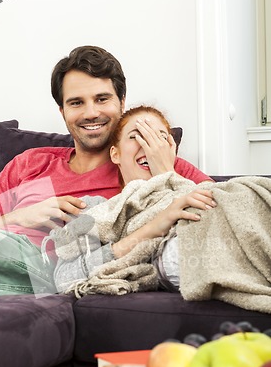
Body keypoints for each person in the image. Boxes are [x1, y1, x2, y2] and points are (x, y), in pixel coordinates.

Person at [0, 47, 212, 299]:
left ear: (121, 102)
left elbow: (223, 210)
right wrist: (20, 216)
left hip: (48, 267)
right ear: (62, 111)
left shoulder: (145, 161)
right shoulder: (30, 163)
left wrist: (163, 172)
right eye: (76, 103)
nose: (91, 112)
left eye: (102, 99)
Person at [52, 105, 216, 294]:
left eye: (159, 138)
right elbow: (64, 279)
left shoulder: (194, 192)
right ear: (115, 154)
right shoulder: (96, 209)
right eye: (136, 136)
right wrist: (150, 229)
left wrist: (166, 174)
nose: (149, 145)